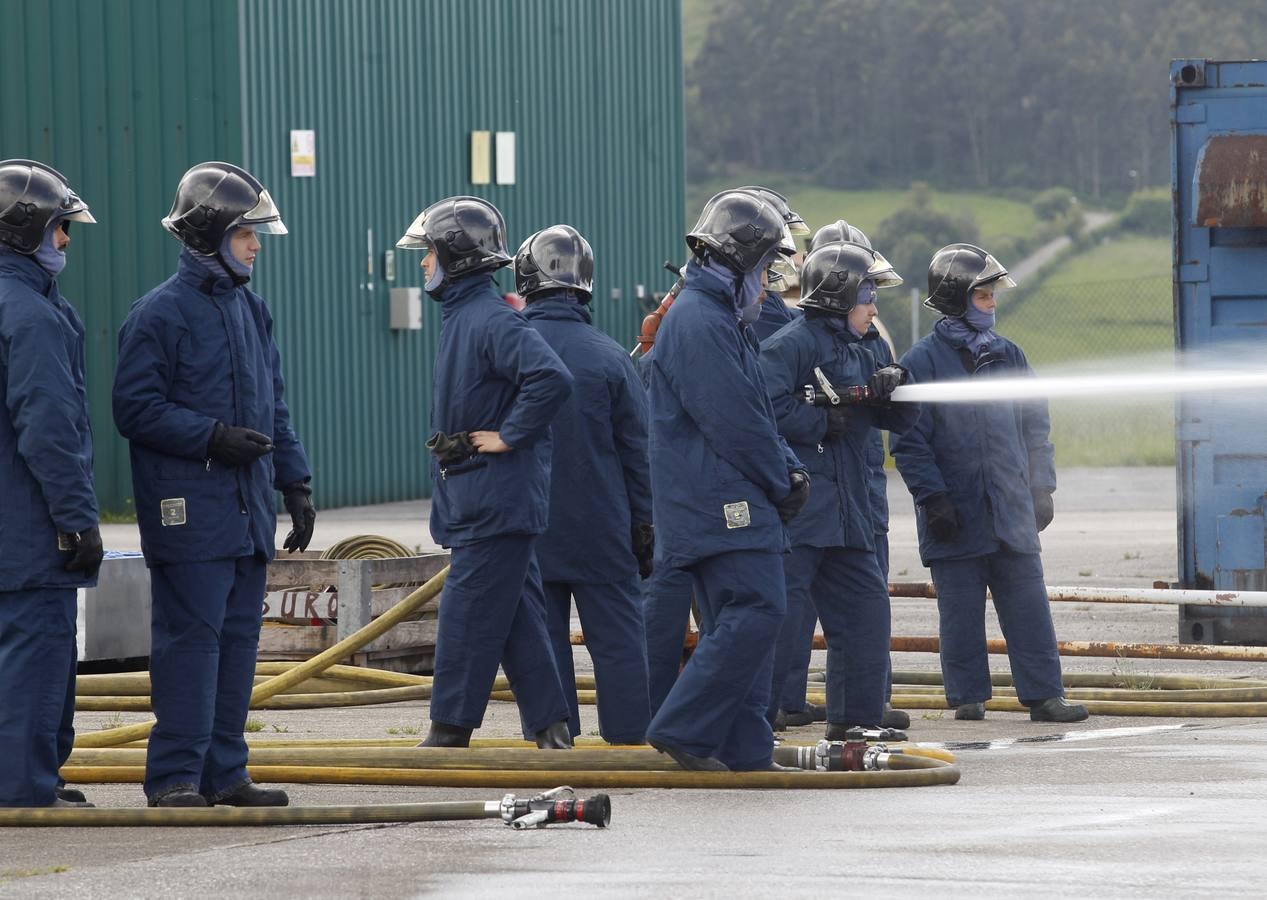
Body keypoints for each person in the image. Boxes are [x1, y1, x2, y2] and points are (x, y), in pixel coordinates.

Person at [113, 162, 316, 807]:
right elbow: (134, 409)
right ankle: (175, 777)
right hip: (190, 514)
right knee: (190, 646)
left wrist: (295, 481)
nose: (256, 245)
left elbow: (273, 406)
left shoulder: (252, 312)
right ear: (210, 233)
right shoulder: (159, 315)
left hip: (246, 512)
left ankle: (225, 775)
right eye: (246, 233)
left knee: (235, 647)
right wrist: (209, 437)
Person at [397, 196, 574, 750]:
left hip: (492, 501)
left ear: (454, 254)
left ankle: (448, 730)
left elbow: (551, 377)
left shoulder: (489, 319)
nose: (423, 263)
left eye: (428, 252)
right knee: (519, 616)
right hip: (487, 497)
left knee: (467, 615)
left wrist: (509, 434)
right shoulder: (467, 316)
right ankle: (553, 729)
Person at [890, 243, 1089, 723]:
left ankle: (1044, 694)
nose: (992, 304)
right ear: (957, 299)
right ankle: (967, 698)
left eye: (992, 295)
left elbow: (1035, 426)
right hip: (954, 516)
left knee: (1028, 605)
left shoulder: (1009, 355)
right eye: (983, 296)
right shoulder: (922, 362)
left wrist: (1042, 487)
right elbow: (909, 442)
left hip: (1011, 510)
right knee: (960, 615)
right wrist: (933, 497)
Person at [643, 190, 807, 772]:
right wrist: (781, 478)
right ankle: (684, 728)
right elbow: (736, 420)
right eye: (765, 270)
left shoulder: (711, 316)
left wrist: (785, 465)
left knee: (734, 623)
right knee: (758, 609)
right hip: (723, 501)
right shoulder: (703, 322)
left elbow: (752, 409)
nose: (768, 284)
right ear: (740, 262)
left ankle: (743, 748)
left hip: (714, 498)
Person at [760, 240, 917, 738]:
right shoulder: (789, 346)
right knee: (779, 625)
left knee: (867, 614)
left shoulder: (872, 346)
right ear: (839, 294)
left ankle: (857, 721)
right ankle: (754, 723)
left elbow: (897, 418)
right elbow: (760, 412)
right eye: (868, 294)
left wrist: (898, 387)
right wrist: (819, 423)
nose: (874, 306)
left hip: (852, 514)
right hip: (804, 515)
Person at [518, 225, 653, 744]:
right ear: (586, 284)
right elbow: (637, 454)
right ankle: (628, 738)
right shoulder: (611, 357)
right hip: (604, 527)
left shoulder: (507, 349)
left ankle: (556, 739)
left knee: (544, 640)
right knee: (619, 640)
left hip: (530, 526)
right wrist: (644, 523)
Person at [0, 159, 102, 809]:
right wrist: (76, 518)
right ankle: (26, 786)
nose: (65, 241)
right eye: (60, 227)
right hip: (28, 527)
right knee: (36, 661)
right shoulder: (32, 316)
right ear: (26, 228)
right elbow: (48, 426)